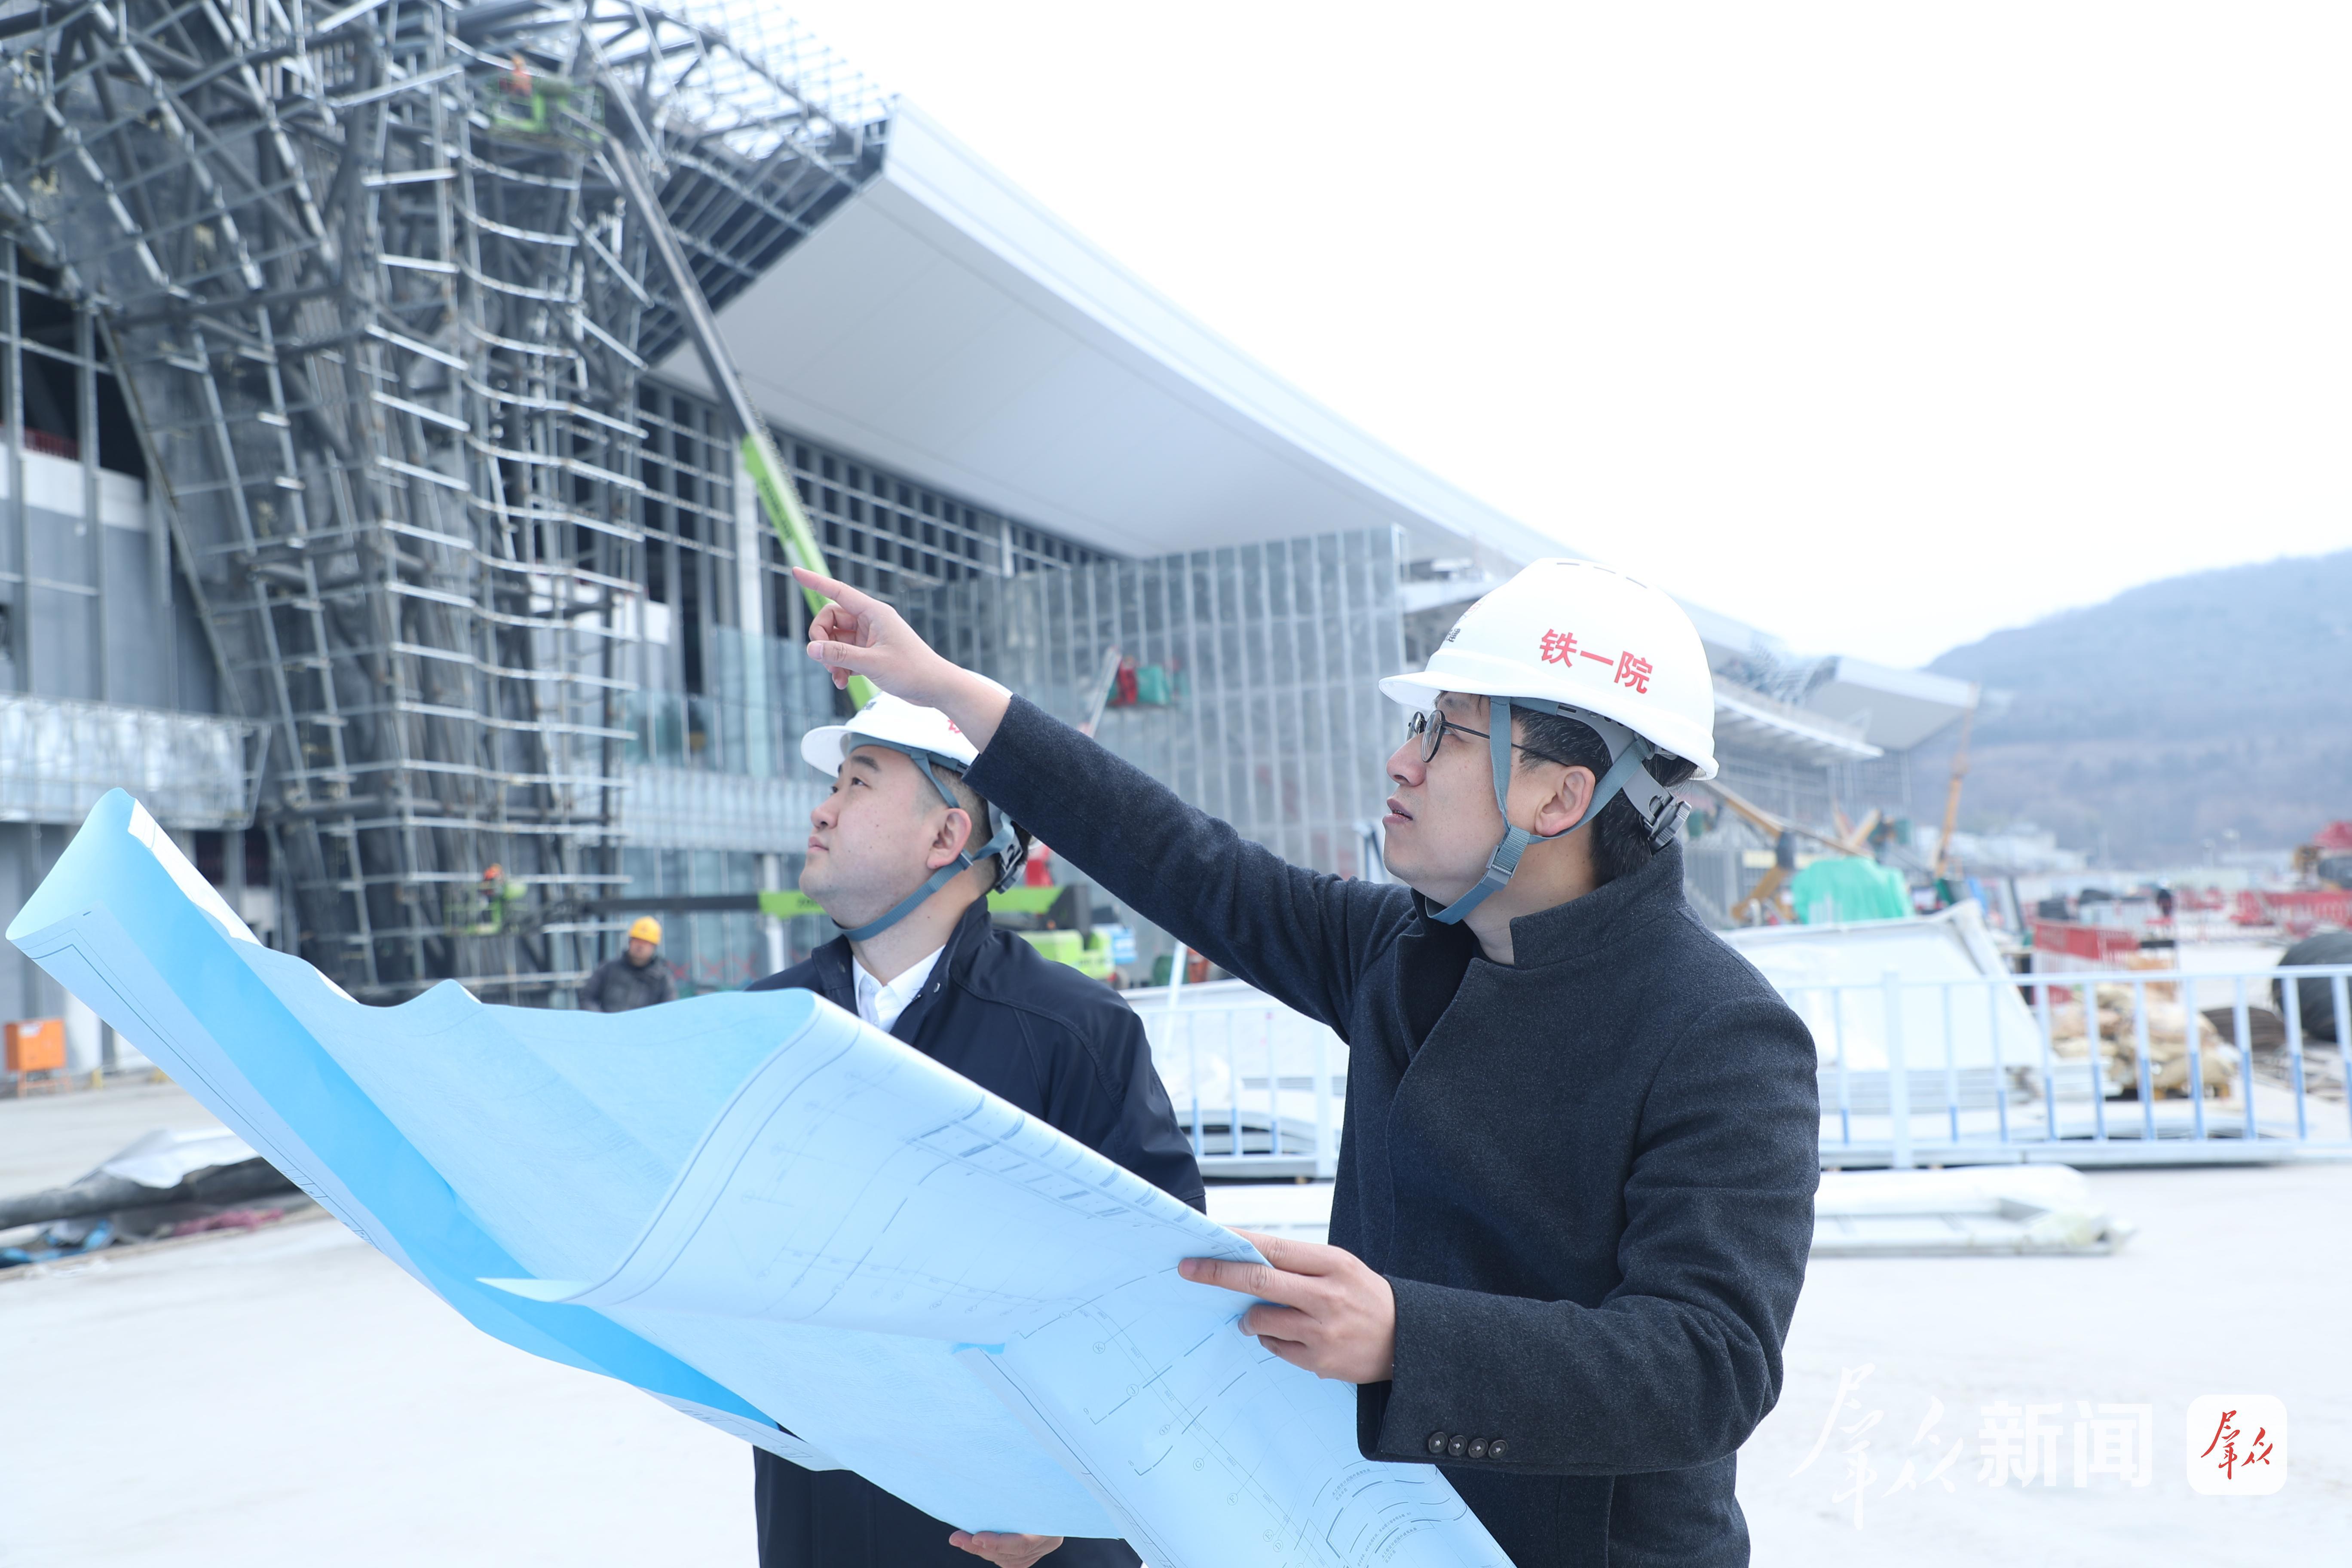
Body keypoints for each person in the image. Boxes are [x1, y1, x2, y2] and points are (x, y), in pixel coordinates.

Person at [789, 558, 1820, 1568]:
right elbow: (1186, 863)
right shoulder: (1402, 953)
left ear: (1561, 797)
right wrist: (944, 689)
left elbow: (1711, 1364)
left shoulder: (1721, 1033)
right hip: (1360, 1529)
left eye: (1446, 734)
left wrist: (1406, 1338)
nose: (1402, 761)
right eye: (1418, 726)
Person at [746, 692, 1203, 1568]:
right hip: (820, 1517)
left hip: (1023, 1532)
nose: (822, 809)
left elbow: (1166, 1292)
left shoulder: (1075, 1034)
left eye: (857, 783)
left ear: (947, 835)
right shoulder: (761, 1030)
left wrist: (1080, 1487)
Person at [578, 916, 675, 1012]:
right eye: (637, 940)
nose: (640, 946)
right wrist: (602, 1019)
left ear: (654, 947)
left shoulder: (662, 979)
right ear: (630, 941)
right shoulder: (609, 969)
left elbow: (668, 1009)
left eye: (646, 942)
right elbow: (587, 997)